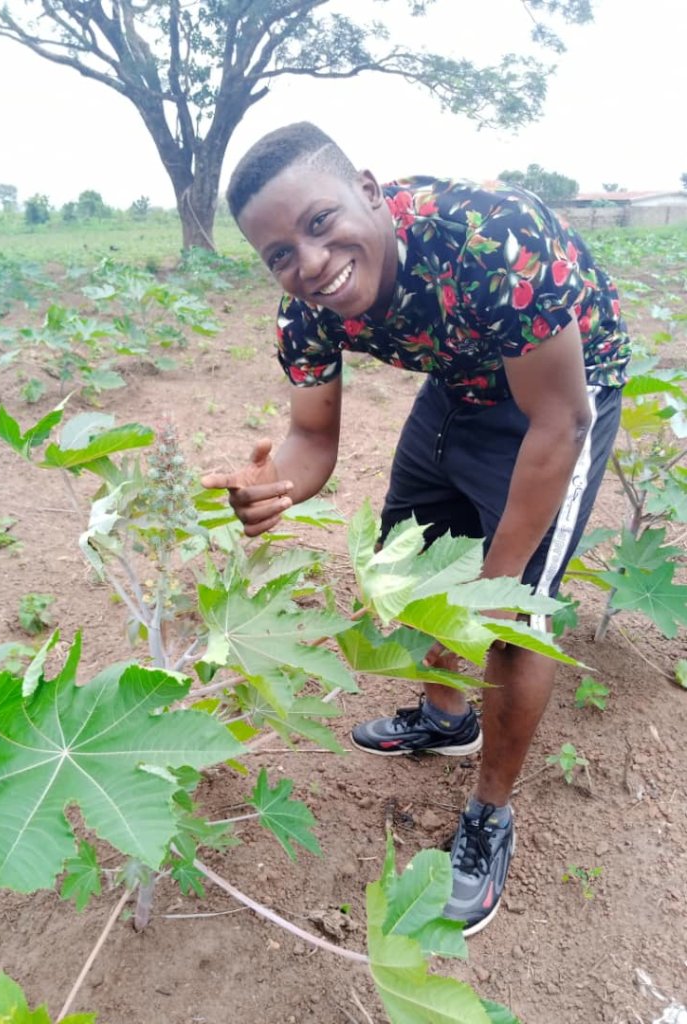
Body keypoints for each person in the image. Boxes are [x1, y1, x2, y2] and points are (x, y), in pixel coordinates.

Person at [202, 122, 630, 936]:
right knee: (415, 563)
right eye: (280, 253)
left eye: (320, 223)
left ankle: (490, 813)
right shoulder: (306, 313)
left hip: (561, 395)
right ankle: (445, 719)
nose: (311, 262)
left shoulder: (491, 241)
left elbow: (557, 420)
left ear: (367, 190)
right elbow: (312, 437)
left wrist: (492, 588)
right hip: (459, 380)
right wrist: (273, 487)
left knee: (512, 616)